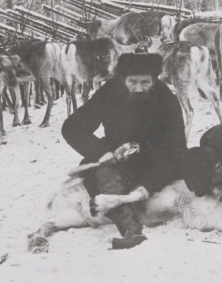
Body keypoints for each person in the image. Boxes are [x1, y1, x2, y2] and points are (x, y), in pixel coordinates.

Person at [61, 52, 187, 249]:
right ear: (123, 79)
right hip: (118, 161)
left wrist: (149, 184)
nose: (138, 88)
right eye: (132, 81)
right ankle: (130, 228)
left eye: (145, 82)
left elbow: (177, 147)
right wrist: (102, 152)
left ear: (154, 80)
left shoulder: (166, 99)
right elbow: (72, 127)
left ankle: (135, 200)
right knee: (101, 173)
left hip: (156, 161)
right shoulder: (109, 93)